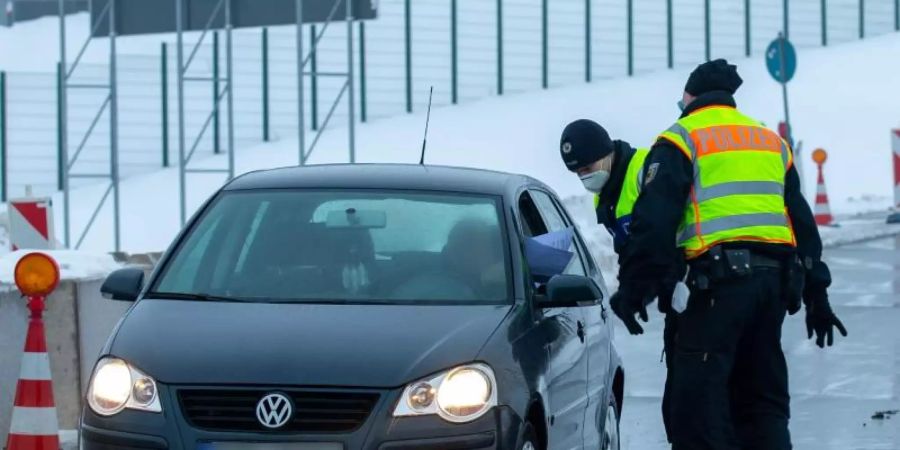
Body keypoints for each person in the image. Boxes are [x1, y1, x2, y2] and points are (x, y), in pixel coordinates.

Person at [610, 59, 848, 449]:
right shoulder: (769, 141)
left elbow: (654, 221)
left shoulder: (681, 138)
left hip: (715, 292)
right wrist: (816, 294)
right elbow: (802, 224)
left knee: (698, 411)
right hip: (771, 290)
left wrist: (635, 288)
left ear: (689, 97)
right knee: (761, 405)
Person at [559, 119, 684, 440]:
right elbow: (634, 250)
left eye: (588, 166)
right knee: (682, 399)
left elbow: (661, 234)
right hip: (677, 298)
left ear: (607, 152)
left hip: (699, 285)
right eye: (578, 173)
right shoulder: (605, 197)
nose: (586, 176)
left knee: (696, 399)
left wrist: (639, 287)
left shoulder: (646, 169)